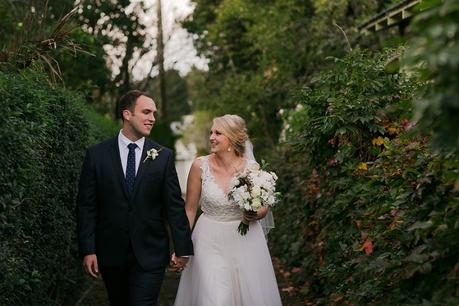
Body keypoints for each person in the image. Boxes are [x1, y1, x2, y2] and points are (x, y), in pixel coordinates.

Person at [76, 90, 193, 306]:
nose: (152, 118)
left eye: (154, 113)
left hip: (150, 253)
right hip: (111, 253)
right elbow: (87, 206)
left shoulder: (163, 156)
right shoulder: (97, 155)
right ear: (127, 114)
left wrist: (183, 247)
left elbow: (174, 205)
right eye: (146, 112)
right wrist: (88, 249)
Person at [173, 114, 282, 306]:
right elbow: (189, 209)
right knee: (214, 299)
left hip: (245, 240)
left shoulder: (252, 168)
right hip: (208, 240)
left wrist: (253, 214)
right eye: (211, 132)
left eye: (218, 133)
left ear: (232, 138)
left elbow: (264, 208)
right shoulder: (200, 166)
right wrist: (181, 245)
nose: (211, 137)